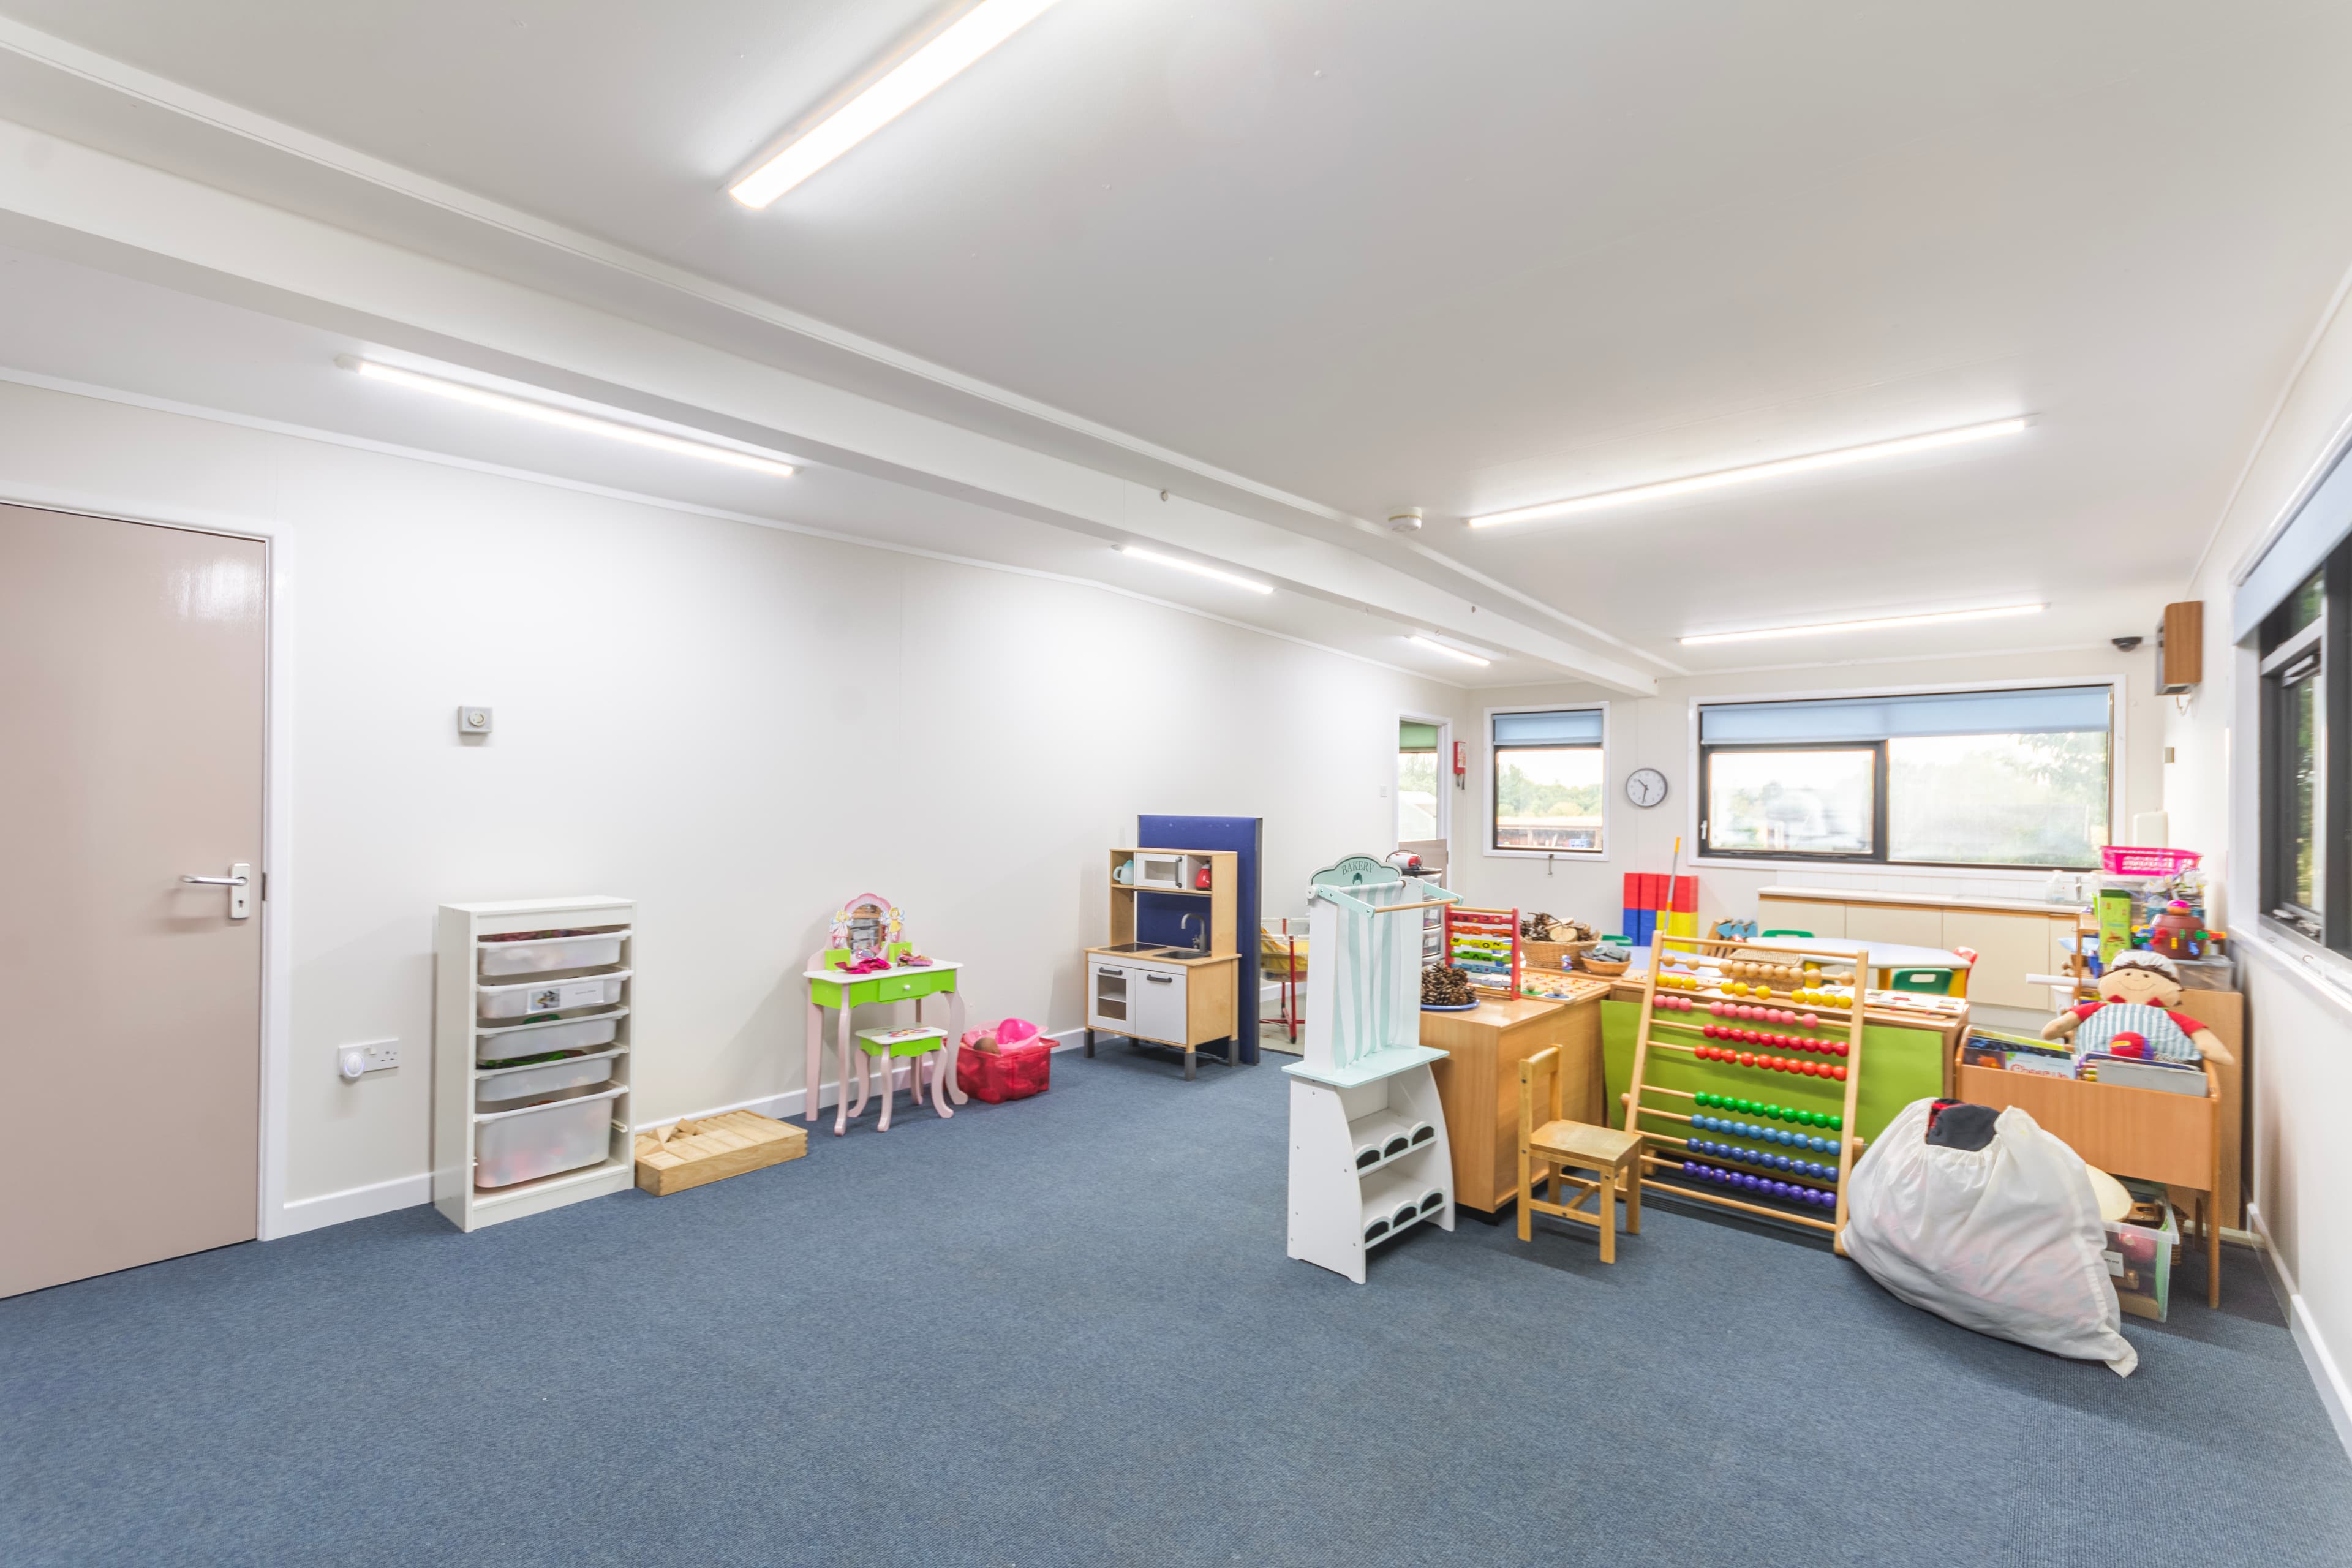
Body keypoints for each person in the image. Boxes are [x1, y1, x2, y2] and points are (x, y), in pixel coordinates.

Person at [2038, 949, 2233, 1065]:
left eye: (2147, 976)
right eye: (2129, 975)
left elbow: (2056, 1028)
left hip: (2113, 1071)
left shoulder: (2097, 1008)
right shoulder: (2098, 1008)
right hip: (2111, 1072)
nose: (2137, 980)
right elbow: (2207, 1046)